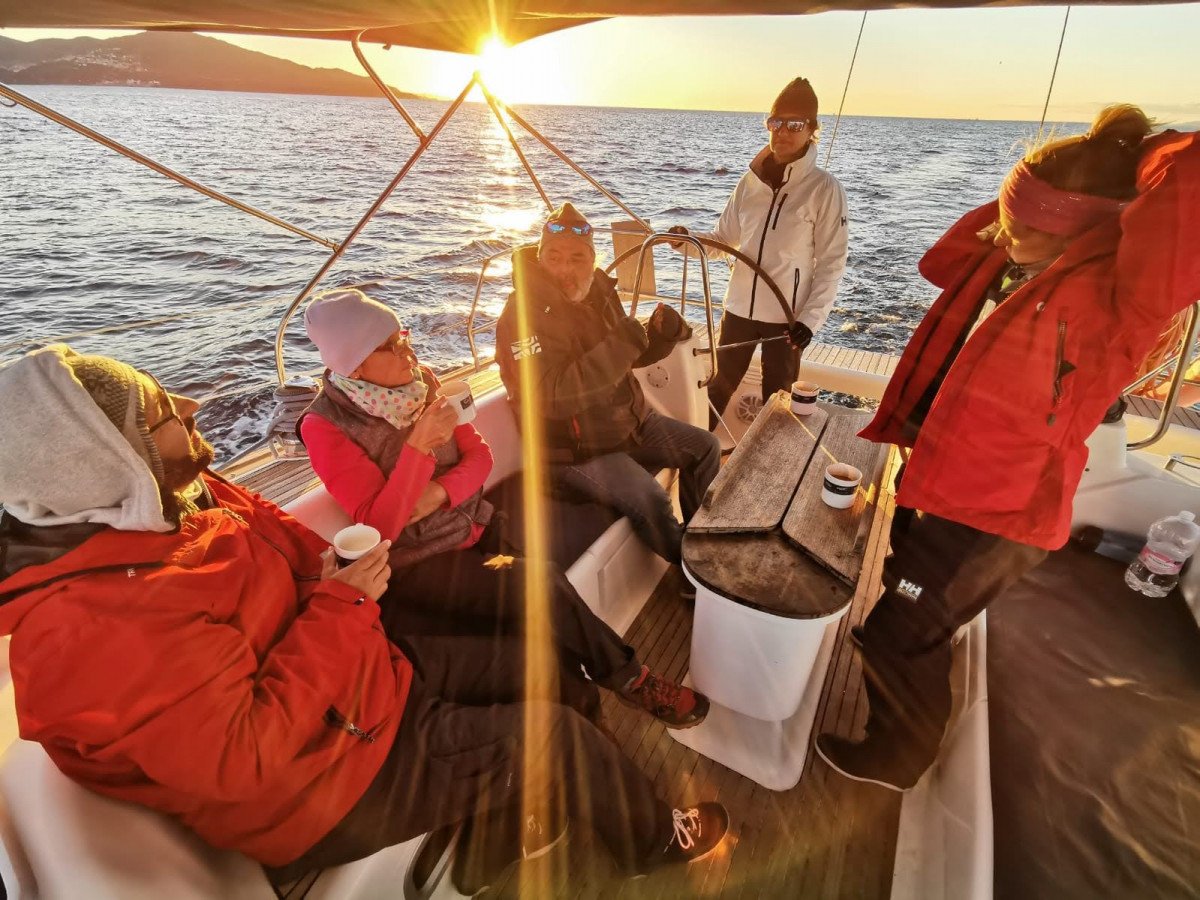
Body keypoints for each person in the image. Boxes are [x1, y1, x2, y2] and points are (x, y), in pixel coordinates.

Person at [0, 345, 730, 891]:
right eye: (163, 412)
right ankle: (648, 843)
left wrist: (335, 576)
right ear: (108, 461)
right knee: (552, 725)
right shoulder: (90, 629)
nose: (190, 408)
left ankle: (524, 817)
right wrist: (345, 597)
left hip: (361, 683)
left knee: (545, 664)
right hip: (325, 784)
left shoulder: (177, 502)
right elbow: (249, 757)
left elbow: (303, 538)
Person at [814, 106, 1200, 791]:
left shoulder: (1119, 298)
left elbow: (1188, 191)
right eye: (1007, 215)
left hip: (993, 514)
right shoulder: (1009, 263)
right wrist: (1021, 205)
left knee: (899, 630)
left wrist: (1140, 154)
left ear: (1079, 228)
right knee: (906, 591)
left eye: (1023, 224)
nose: (1005, 232)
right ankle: (914, 641)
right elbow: (938, 261)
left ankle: (899, 759)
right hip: (942, 481)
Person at [299, 288, 708, 730]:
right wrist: (418, 446)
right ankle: (631, 680)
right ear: (355, 365)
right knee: (539, 583)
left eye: (404, 337)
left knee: (542, 612)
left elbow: (481, 457)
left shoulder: (425, 382)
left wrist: (437, 494)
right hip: (424, 562)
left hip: (480, 525)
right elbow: (380, 525)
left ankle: (584, 720)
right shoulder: (325, 426)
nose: (408, 353)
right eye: (391, 346)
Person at [495, 202, 721, 568]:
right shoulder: (521, 314)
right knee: (651, 499)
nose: (565, 270)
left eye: (577, 258)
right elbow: (552, 398)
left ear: (592, 259)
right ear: (539, 257)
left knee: (706, 447)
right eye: (554, 257)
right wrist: (623, 343)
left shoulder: (598, 289)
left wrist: (660, 337)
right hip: (576, 452)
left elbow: (624, 358)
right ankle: (692, 571)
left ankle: (704, 543)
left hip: (630, 425)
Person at [668, 77, 849, 431]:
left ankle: (770, 463)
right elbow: (724, 240)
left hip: (787, 320)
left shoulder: (825, 189)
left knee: (778, 403)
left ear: (812, 129)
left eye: (794, 124)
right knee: (716, 389)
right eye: (775, 122)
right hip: (738, 309)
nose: (782, 132)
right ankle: (695, 457)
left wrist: (809, 321)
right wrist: (687, 241)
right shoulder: (748, 183)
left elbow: (832, 263)